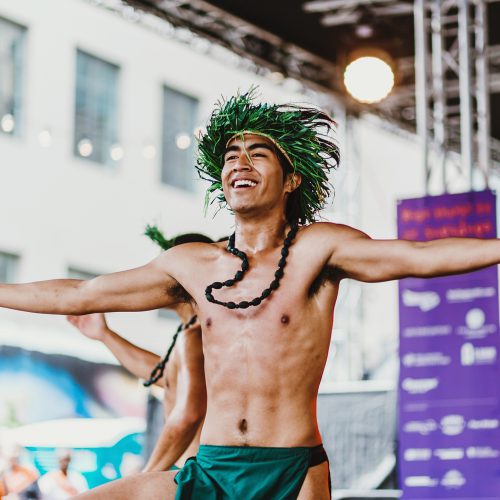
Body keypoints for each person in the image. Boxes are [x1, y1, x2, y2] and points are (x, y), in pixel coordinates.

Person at [2, 89, 500, 499]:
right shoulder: (191, 265)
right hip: (212, 467)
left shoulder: (319, 250)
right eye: (230, 156)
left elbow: (419, 255)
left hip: (292, 471)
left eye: (257, 153)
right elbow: (81, 293)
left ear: (292, 180)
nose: (239, 163)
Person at [66, 230, 210, 472]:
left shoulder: (198, 335)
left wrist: (148, 474)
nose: (153, 280)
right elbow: (165, 376)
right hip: (186, 468)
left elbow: (189, 414)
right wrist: (105, 335)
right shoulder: (191, 332)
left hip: (192, 471)